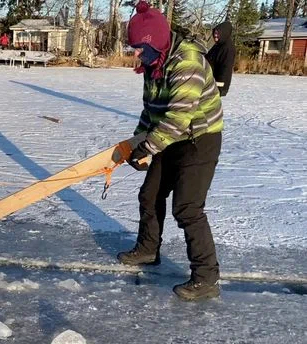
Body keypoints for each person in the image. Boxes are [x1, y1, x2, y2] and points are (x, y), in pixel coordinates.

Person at [116, 1, 224, 301]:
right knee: (150, 195)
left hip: (199, 138)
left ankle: (206, 277)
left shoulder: (186, 62)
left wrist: (149, 147)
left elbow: (179, 117)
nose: (135, 53)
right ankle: (149, 250)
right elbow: (152, 112)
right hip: (170, 135)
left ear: (154, 42)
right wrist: (138, 143)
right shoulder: (154, 63)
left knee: (187, 208)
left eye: (138, 47)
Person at [205, 22, 235, 97]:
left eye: (218, 34)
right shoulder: (218, 45)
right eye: (215, 33)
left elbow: (225, 68)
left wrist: (220, 87)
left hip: (217, 86)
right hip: (210, 82)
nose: (215, 35)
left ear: (224, 33)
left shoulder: (228, 48)